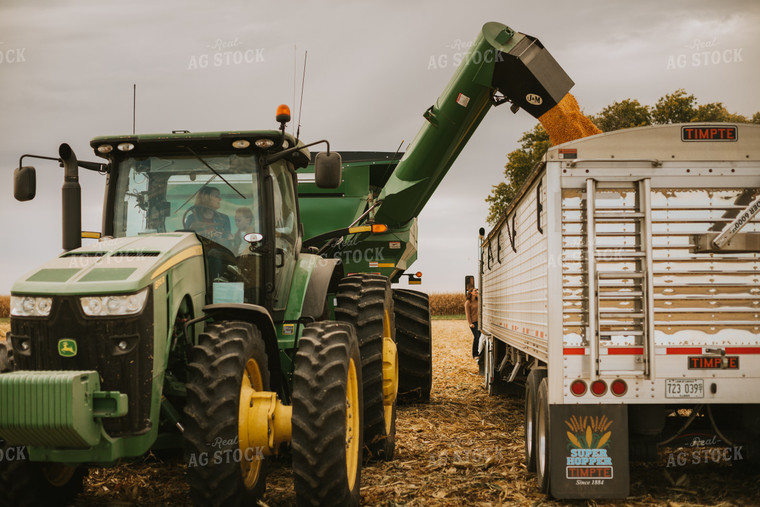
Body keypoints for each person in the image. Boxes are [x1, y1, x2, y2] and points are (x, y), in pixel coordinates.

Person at [465, 288, 481, 359]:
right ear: (471, 292)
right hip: (474, 323)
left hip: (480, 322)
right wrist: (470, 323)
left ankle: (479, 352)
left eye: (477, 290)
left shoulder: (478, 300)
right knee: (476, 337)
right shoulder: (468, 302)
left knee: (481, 338)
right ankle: (474, 354)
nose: (477, 292)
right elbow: (467, 314)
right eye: (475, 291)